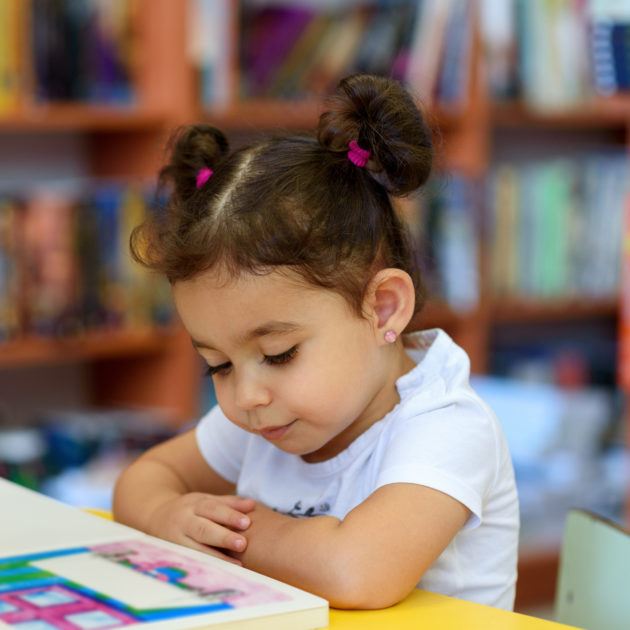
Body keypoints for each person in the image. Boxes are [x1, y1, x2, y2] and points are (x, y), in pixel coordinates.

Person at [113, 73, 519, 611]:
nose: (246, 395)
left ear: (383, 308)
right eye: (218, 365)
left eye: (279, 354)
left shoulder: (446, 424)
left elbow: (358, 572)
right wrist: (168, 515)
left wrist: (229, 533)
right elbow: (143, 480)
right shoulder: (271, 416)